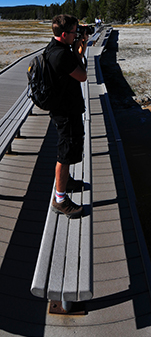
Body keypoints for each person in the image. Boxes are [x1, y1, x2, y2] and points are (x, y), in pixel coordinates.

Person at [45, 14, 87, 218]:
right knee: (65, 153)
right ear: (64, 34)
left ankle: (67, 181)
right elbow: (82, 76)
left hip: (63, 108)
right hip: (66, 112)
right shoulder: (61, 55)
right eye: (73, 32)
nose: (76, 35)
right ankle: (59, 199)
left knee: (68, 149)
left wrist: (76, 50)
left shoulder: (54, 48)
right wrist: (79, 53)